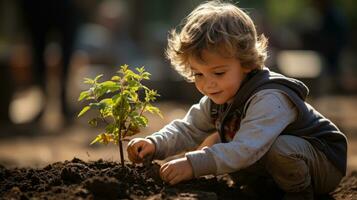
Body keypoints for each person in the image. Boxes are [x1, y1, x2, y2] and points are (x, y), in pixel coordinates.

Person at [127, 1, 347, 199]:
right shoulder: (217, 100)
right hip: (272, 162)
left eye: (219, 73)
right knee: (225, 144)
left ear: (246, 63)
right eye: (198, 74)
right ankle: (264, 188)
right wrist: (155, 143)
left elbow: (245, 149)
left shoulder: (270, 97)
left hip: (322, 164)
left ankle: (298, 193)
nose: (208, 84)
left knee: (273, 148)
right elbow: (188, 129)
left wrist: (193, 164)